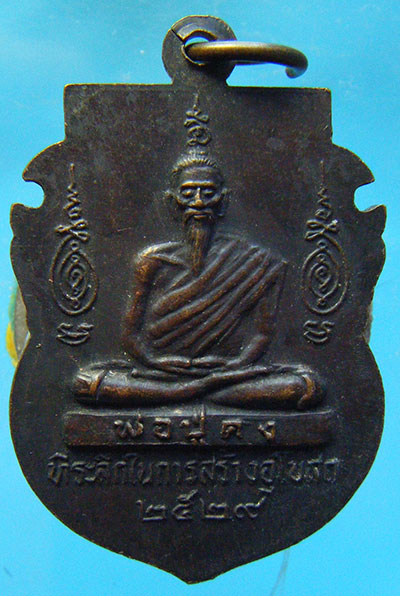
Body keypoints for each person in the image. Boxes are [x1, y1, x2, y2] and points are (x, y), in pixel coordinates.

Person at [74, 155, 322, 409]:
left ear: (223, 202)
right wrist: (153, 362)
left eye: (209, 193)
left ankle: (184, 392)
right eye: (188, 194)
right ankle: (199, 389)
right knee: (84, 382)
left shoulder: (259, 262)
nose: (199, 202)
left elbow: (263, 333)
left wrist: (236, 365)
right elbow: (130, 336)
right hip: (163, 374)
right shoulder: (151, 261)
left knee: (304, 387)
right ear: (172, 203)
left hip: (230, 373)